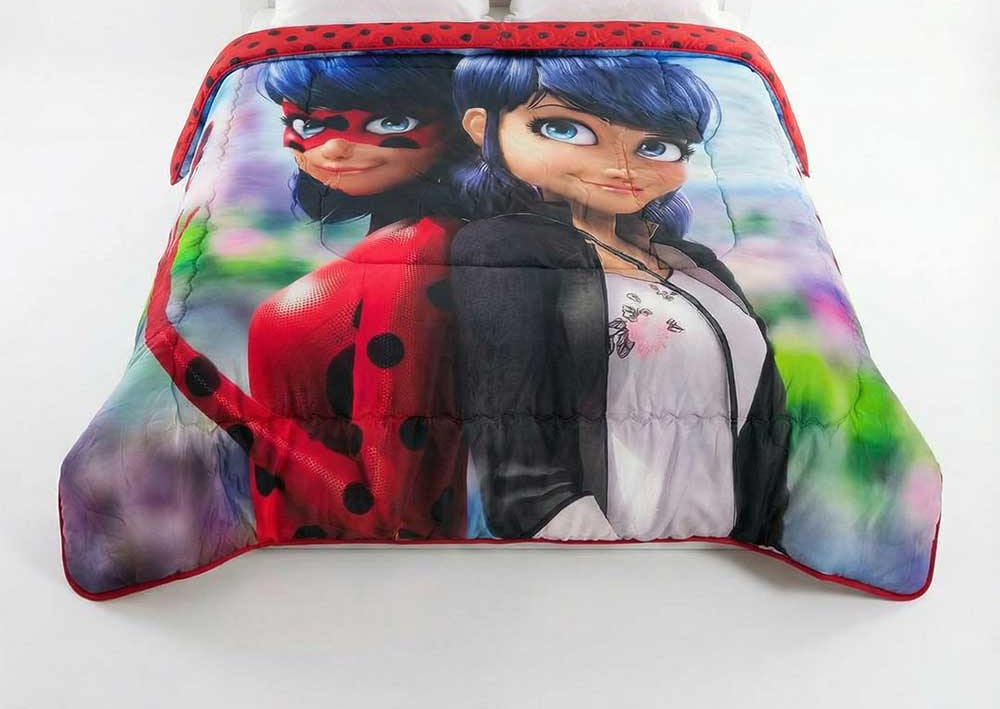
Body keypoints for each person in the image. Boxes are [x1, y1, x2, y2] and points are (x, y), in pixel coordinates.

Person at [449, 52, 789, 548]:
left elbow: (766, 418)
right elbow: (512, 437)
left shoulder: (695, 262)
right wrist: (591, 546)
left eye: (656, 146)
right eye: (566, 129)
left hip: (734, 546)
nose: (622, 165)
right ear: (484, 128)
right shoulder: (503, 250)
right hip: (592, 552)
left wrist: (762, 535)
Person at [146, 53, 467, 543]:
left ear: (457, 127)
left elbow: (383, 513)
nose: (335, 148)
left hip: (344, 557)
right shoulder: (405, 245)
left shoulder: (411, 257)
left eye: (390, 123)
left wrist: (186, 366)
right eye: (308, 124)